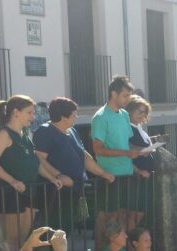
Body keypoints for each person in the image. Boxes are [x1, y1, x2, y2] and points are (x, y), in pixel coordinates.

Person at [0, 95, 60, 251]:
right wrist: (12, 181)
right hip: (9, 193)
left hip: (28, 191)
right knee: (11, 241)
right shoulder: (3, 134)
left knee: (24, 240)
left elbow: (34, 162)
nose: (32, 117)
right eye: (29, 113)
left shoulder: (24, 134)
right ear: (16, 112)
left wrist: (52, 178)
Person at [33, 97, 115, 230]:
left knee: (68, 229)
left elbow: (84, 156)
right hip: (55, 192)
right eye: (74, 113)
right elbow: (39, 158)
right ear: (63, 116)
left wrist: (103, 173)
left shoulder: (72, 131)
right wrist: (58, 175)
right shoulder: (45, 131)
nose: (77, 116)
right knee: (55, 230)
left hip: (75, 190)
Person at [91, 76, 141, 250]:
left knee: (125, 216)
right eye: (125, 95)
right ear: (114, 94)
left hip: (126, 173)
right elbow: (97, 148)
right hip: (110, 176)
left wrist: (143, 150)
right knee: (107, 218)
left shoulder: (125, 115)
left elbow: (125, 143)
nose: (128, 99)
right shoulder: (100, 117)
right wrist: (127, 153)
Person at [124, 96, 156, 230]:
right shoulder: (127, 129)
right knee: (133, 214)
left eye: (144, 112)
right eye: (138, 112)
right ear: (130, 112)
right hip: (136, 178)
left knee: (141, 213)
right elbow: (126, 151)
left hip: (146, 178)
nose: (142, 115)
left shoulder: (139, 128)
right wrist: (139, 170)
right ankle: (129, 243)